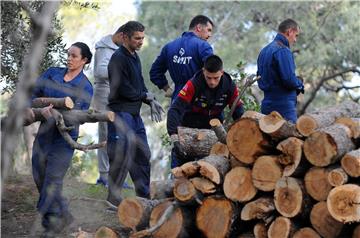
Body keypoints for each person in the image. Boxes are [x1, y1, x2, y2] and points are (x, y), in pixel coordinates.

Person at [31, 42, 93, 237]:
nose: (69, 58)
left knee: (53, 179)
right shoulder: (52, 73)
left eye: (74, 56)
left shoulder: (86, 87)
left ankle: (52, 225)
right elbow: (33, 93)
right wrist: (33, 108)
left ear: (84, 60)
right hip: (44, 132)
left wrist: (57, 113)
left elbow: (78, 116)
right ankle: (65, 215)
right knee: (38, 173)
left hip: (64, 137)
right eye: (68, 54)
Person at [106, 21, 164, 209]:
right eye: (137, 38)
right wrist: (143, 95)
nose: (140, 42)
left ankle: (144, 198)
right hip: (120, 113)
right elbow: (121, 89)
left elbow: (139, 84)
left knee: (142, 153)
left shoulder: (134, 57)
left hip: (134, 114)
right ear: (125, 37)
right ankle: (112, 200)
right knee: (120, 155)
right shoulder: (117, 58)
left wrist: (150, 99)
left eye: (142, 38)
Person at [167, 55, 244, 168]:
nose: (212, 82)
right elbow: (175, 109)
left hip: (213, 130)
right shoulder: (193, 84)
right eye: (208, 78)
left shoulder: (229, 86)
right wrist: (174, 137)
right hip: (189, 126)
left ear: (222, 73)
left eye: (216, 78)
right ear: (203, 71)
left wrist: (243, 132)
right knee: (180, 170)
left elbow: (238, 111)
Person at [92, 25, 133, 189]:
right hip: (103, 94)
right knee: (106, 135)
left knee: (119, 136)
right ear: (122, 35)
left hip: (117, 96)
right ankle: (104, 176)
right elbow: (100, 72)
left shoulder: (118, 48)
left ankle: (118, 177)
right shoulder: (104, 47)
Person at [149, 15, 214, 100]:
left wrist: (167, 88)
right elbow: (213, 71)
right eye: (208, 30)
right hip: (198, 101)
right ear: (199, 27)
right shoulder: (203, 46)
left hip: (177, 101)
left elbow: (154, 72)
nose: (210, 35)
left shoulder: (169, 47)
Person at [257, 18, 304, 123]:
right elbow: (289, 80)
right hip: (283, 108)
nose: (295, 40)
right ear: (289, 32)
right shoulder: (283, 50)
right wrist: (300, 83)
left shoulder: (263, 51)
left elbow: (259, 78)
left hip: (266, 106)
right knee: (291, 139)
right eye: (296, 35)